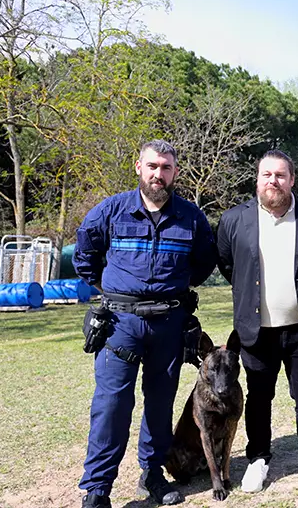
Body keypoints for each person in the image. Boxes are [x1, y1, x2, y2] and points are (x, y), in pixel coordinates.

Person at [74, 140, 217, 508]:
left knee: (160, 403)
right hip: (120, 322)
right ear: (138, 166)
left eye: (166, 167)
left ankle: (152, 473)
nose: (159, 174)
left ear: (175, 173)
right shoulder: (110, 211)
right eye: (152, 166)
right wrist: (111, 291)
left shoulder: (191, 217)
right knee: (111, 405)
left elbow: (202, 264)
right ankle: (98, 488)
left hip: (169, 322)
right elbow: (85, 256)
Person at [216, 149, 298, 497]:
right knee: (258, 397)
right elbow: (230, 266)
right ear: (257, 179)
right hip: (256, 331)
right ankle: (257, 459)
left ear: (292, 180)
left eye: (281, 175)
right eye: (267, 174)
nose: (274, 181)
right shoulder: (234, 220)